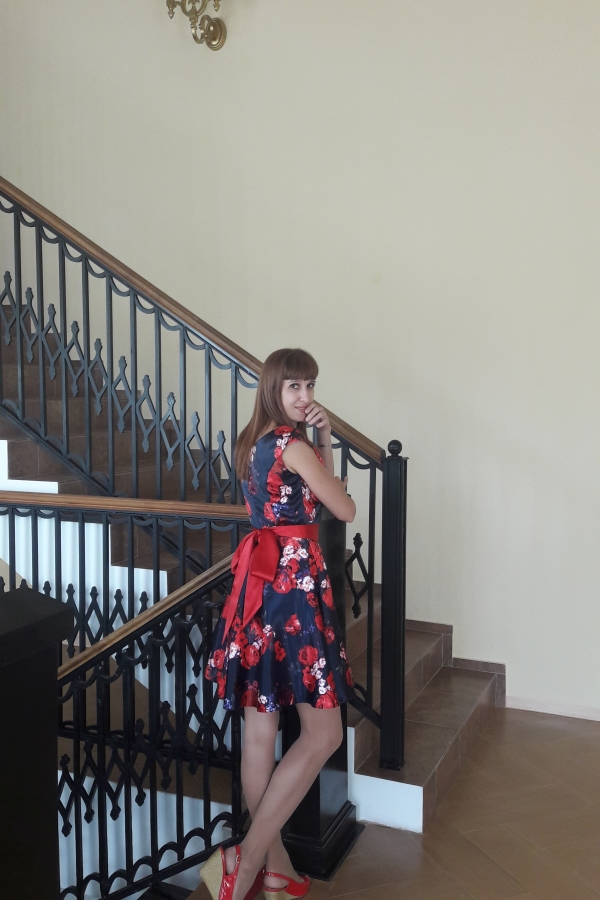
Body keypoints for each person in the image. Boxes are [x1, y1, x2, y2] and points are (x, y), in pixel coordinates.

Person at [202, 348, 356, 900]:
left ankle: (274, 865)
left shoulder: (252, 443)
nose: (305, 397)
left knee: (260, 733)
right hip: (293, 591)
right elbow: (343, 507)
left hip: (258, 588)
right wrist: (325, 439)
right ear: (272, 387)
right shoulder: (294, 445)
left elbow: (303, 496)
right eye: (294, 386)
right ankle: (246, 864)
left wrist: (322, 438)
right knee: (325, 733)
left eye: (310, 385)